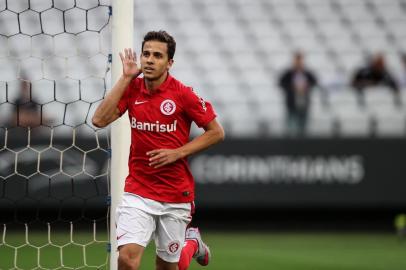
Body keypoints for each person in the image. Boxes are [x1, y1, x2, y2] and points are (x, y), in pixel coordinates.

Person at [92, 31, 224, 270]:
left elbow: (216, 132)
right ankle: (189, 241)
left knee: (167, 266)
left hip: (175, 194)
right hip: (138, 190)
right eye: (146, 54)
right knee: (127, 260)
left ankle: (191, 242)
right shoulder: (132, 89)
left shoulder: (183, 94)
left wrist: (178, 152)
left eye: (157, 55)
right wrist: (125, 78)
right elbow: (99, 120)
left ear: (169, 62)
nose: (150, 60)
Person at [278, 51, 319, 137]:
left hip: (304, 102)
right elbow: (281, 83)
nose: (298, 62)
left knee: (302, 127)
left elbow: (314, 82)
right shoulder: (289, 73)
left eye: (300, 60)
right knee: (291, 126)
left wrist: (306, 86)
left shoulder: (307, 73)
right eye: (297, 60)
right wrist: (292, 87)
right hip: (291, 103)